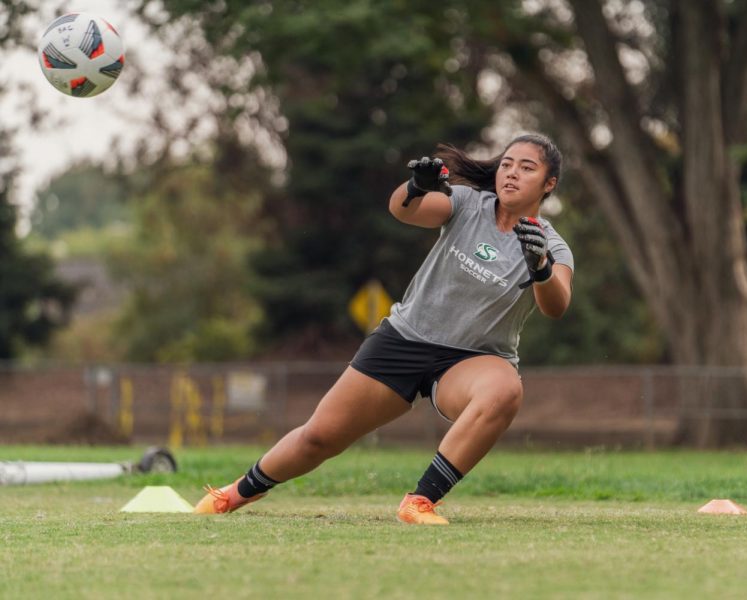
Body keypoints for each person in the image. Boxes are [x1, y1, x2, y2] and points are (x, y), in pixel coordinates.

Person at [194, 133, 575, 524]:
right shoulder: (465, 203)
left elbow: (556, 305)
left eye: (527, 168)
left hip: (473, 360)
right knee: (318, 438)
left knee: (505, 390)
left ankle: (420, 502)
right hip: (405, 339)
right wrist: (415, 187)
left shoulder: (552, 245)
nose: (511, 173)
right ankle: (231, 495)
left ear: (548, 184)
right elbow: (404, 211)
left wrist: (540, 267)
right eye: (508, 164)